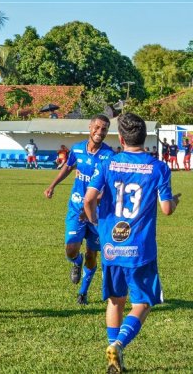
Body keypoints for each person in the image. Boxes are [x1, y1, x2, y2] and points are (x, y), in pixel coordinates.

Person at [84, 113, 180, 373]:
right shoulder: (158, 167)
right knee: (143, 303)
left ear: (122, 138)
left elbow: (88, 200)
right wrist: (175, 201)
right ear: (144, 137)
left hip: (111, 247)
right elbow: (167, 209)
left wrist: (96, 225)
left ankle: (112, 354)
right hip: (140, 250)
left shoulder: (108, 163)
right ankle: (119, 345)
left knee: (115, 301)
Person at [44, 114, 114, 305]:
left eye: (104, 129)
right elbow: (68, 167)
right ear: (90, 127)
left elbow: (108, 188)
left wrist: (91, 205)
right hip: (76, 207)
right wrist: (52, 185)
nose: (100, 132)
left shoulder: (109, 156)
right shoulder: (77, 149)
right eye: (97, 127)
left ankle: (83, 292)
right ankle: (76, 262)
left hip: (97, 214)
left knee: (92, 255)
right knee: (71, 249)